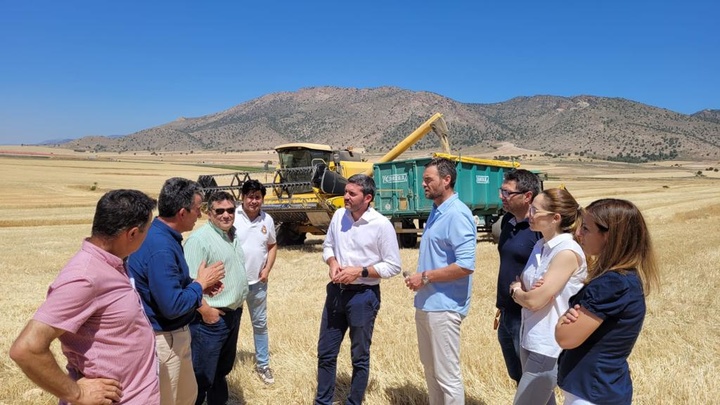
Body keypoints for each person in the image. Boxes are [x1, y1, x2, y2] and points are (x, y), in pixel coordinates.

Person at [9, 189, 160, 404]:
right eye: (147, 231)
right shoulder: (85, 277)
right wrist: (76, 393)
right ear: (133, 233)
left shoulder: (113, 263)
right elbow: (26, 348)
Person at [127, 177, 226, 405]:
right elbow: (171, 306)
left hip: (172, 337)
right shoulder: (161, 247)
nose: (199, 215)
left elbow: (168, 284)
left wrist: (197, 284)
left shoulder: (161, 236)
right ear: (182, 212)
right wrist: (200, 284)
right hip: (165, 339)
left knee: (186, 397)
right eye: (198, 209)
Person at [555, 199, 660, 405]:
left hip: (592, 393)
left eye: (586, 228)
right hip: (599, 387)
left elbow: (565, 338)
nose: (578, 234)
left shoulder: (612, 283)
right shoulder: (624, 278)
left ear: (609, 236)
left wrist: (561, 322)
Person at [315, 173, 402, 405]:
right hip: (336, 293)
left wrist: (360, 271)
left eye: (352, 194)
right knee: (326, 353)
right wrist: (332, 263)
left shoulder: (381, 225)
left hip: (363, 297)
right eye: (346, 192)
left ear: (367, 198)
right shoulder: (338, 216)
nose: (345, 197)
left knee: (359, 357)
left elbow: (393, 266)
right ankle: (322, 402)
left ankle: (354, 402)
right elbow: (328, 246)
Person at [405, 157, 477, 405]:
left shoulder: (457, 214)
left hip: (445, 307)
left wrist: (425, 276)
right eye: (423, 180)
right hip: (427, 303)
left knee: (447, 375)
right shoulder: (437, 211)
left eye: (428, 180)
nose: (423, 184)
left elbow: (466, 265)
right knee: (431, 371)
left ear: (446, 180)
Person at [508, 188, 587, 405]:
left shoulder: (566, 251)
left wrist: (518, 291)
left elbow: (533, 299)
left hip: (548, 344)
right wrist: (527, 292)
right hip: (530, 337)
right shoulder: (540, 245)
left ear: (555, 218)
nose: (529, 214)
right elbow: (530, 291)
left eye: (535, 210)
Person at [184, 191, 249, 405]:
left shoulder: (233, 235)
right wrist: (207, 312)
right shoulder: (199, 240)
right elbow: (188, 283)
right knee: (201, 378)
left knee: (220, 372)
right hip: (210, 320)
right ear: (209, 213)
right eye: (219, 211)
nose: (226, 215)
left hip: (232, 316)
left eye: (230, 210)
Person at [496, 169, 542, 384]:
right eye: (502, 191)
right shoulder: (508, 222)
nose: (501, 197)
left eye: (507, 193)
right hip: (507, 312)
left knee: (532, 379)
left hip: (527, 314)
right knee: (516, 375)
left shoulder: (540, 229)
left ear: (528, 196)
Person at [234, 180, 278, 384]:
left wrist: (267, 269)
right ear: (242, 197)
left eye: (257, 197)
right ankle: (225, 365)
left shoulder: (267, 220)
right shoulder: (231, 216)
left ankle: (263, 365)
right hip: (233, 283)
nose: (254, 201)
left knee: (260, 324)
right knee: (229, 325)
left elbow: (272, 245)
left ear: (262, 198)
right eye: (250, 196)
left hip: (258, 283)